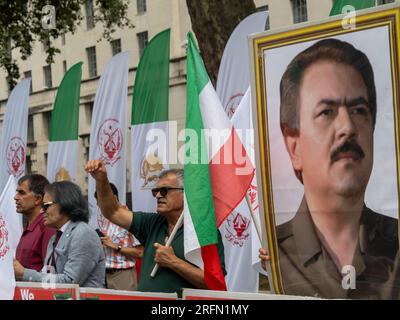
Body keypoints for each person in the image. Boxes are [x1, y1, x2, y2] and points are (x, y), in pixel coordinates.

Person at [269, 38, 398, 299]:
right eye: (326, 112)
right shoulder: (271, 257)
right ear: (294, 147)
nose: (348, 128)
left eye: (359, 110)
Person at [85, 160, 226, 295]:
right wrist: (101, 179)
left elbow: (214, 284)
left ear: (185, 193)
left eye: (164, 191)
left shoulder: (204, 232)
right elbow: (113, 212)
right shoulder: (152, 222)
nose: (158, 195)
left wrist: (173, 262)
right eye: (155, 191)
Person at [13, 181, 105, 288]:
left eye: (46, 205)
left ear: (65, 203)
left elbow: (70, 281)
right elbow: (48, 276)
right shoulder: (55, 237)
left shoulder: (83, 233)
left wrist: (24, 274)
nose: (42, 210)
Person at [94, 182, 144, 291]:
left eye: (102, 203)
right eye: (98, 204)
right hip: (104, 275)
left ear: (114, 198)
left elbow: (141, 252)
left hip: (123, 275)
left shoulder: (130, 219)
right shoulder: (105, 220)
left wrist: (117, 247)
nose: (100, 207)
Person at [15, 174, 55, 272]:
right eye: (17, 192)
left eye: (21, 193)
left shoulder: (47, 226)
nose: (15, 197)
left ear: (37, 199)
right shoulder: (30, 226)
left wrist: (24, 273)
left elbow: (50, 272)